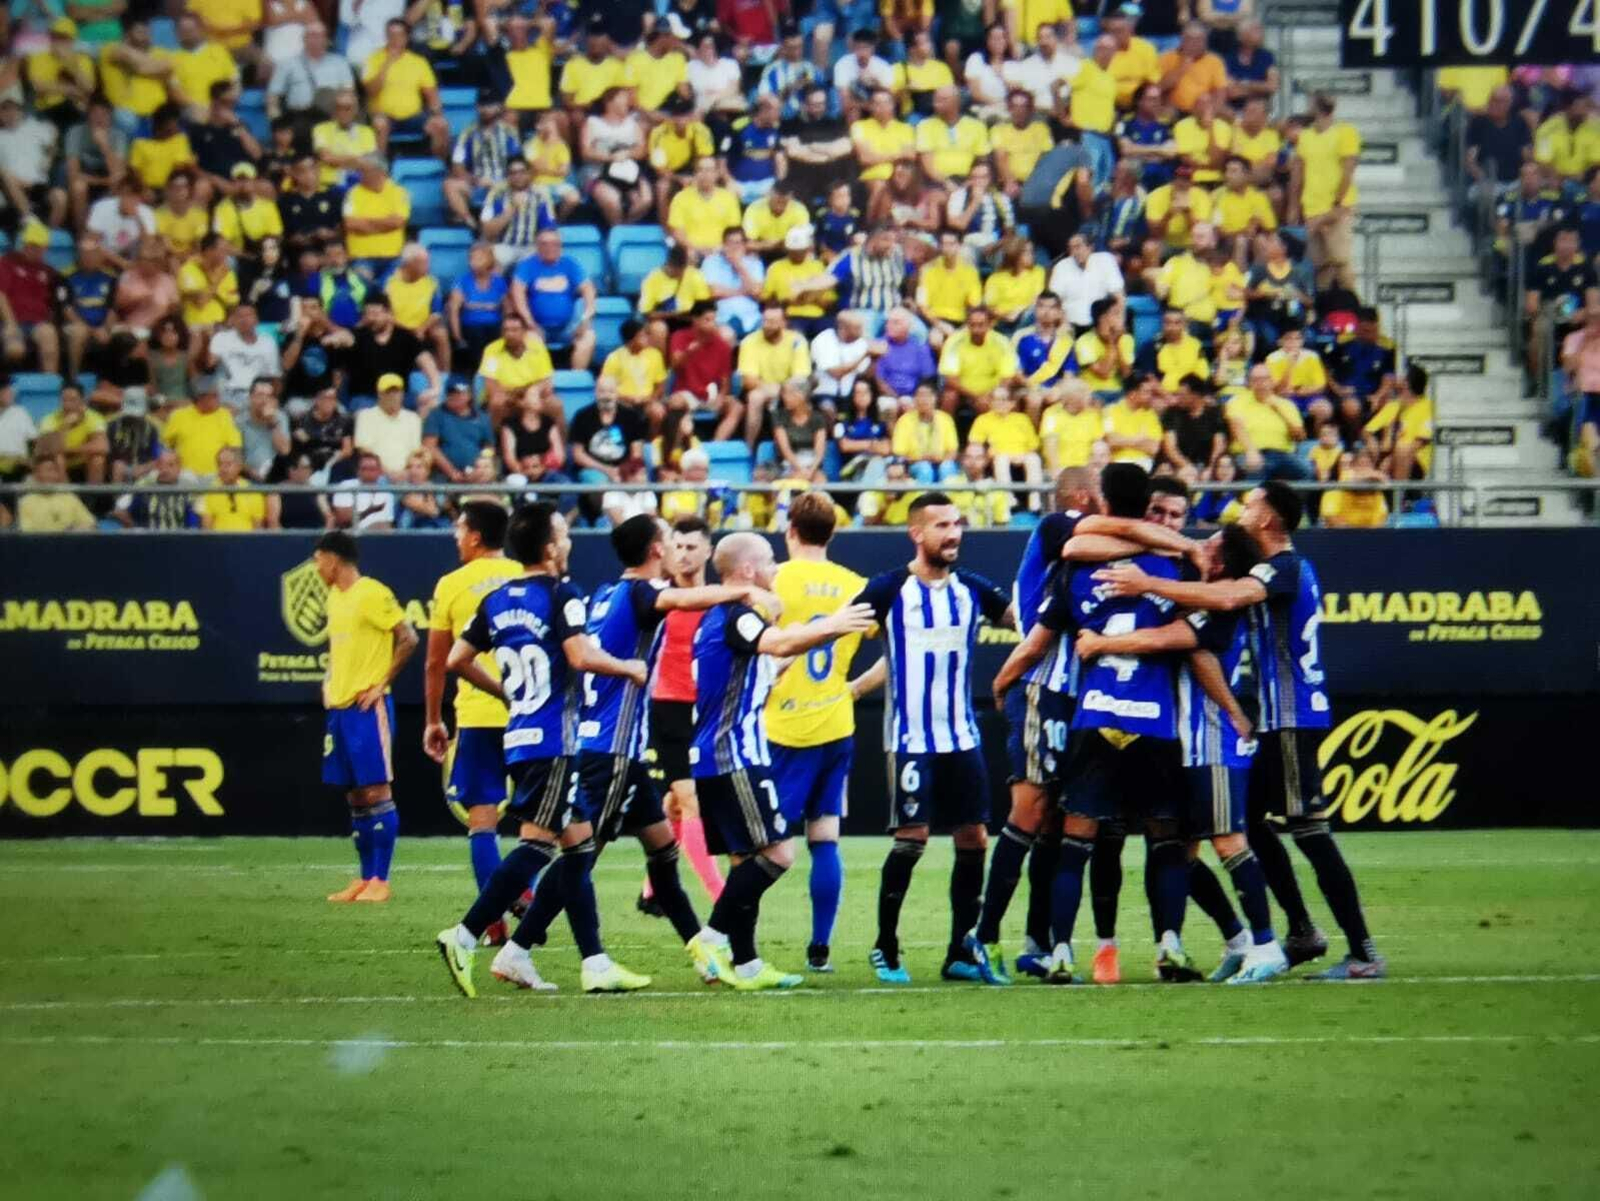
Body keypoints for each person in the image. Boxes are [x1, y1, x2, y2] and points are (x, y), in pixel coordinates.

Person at [1095, 482, 1387, 979]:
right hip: (1271, 720)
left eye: (1251, 505)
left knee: (1308, 831)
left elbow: (1229, 599)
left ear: (1269, 520)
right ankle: (1297, 931)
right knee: (1247, 826)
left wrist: (1149, 585)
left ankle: (1362, 952)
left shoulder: (1283, 568)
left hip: (1292, 716)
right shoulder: (1272, 569)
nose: (1242, 511)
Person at [503, 514, 777, 986]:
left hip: (621, 750)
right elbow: (684, 597)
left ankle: (704, 954)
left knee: (664, 853)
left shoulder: (603, 594)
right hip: (609, 750)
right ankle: (519, 947)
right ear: (656, 550)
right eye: (672, 542)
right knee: (579, 857)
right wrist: (743, 591)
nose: (678, 551)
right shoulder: (638, 592)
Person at [433, 503, 655, 997]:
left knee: (580, 847)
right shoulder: (563, 593)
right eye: (564, 533)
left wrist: (507, 695)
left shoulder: (496, 599)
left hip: (521, 736)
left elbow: (456, 659)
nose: (570, 540)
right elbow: (579, 655)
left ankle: (577, 961)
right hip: (556, 739)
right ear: (551, 546)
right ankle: (465, 935)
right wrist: (629, 668)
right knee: (537, 847)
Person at [682, 531, 875, 991]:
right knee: (779, 853)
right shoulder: (736, 617)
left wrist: (801, 640)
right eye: (769, 561)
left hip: (717, 757)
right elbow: (779, 646)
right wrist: (834, 623)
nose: (775, 570)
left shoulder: (722, 622)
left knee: (744, 859)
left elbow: (771, 665)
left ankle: (746, 964)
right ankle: (711, 937)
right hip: (734, 756)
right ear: (747, 570)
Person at [851, 494, 1013, 984]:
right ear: (917, 534)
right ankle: (886, 945)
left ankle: (959, 951)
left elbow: (1030, 628)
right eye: (943, 524)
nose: (955, 533)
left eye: (958, 524)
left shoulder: (974, 590)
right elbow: (840, 627)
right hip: (911, 737)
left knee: (974, 838)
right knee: (913, 839)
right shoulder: (887, 590)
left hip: (962, 737)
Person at [755, 492, 869, 973]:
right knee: (825, 838)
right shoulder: (855, 586)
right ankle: (819, 947)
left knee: (760, 847)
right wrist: (856, 687)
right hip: (835, 722)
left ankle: (741, 943)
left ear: (790, 531)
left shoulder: (773, 580)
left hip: (781, 725)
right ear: (833, 533)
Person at [421, 501, 522, 933]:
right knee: (544, 824)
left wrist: (432, 719)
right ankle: (526, 892)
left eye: (460, 528)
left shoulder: (452, 585)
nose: (455, 535)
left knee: (483, 820)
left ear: (476, 536)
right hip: (530, 714)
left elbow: (436, 661)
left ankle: (495, 922)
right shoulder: (525, 574)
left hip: (480, 714)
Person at [1292, 92, 1360, 292]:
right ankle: (1324, 312)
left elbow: (1349, 168)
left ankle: (1354, 308)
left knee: (1341, 262)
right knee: (1320, 265)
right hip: (1312, 207)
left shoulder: (1345, 132)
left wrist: (1337, 203)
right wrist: (1295, 206)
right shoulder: (1305, 136)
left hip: (1337, 207)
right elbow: (1299, 173)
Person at [511, 229, 597, 372]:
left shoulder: (570, 264)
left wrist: (585, 318)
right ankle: (542, 382)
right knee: (530, 340)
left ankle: (576, 379)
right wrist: (529, 322)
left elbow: (588, 290)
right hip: (537, 326)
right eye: (544, 244)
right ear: (537, 246)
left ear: (560, 246)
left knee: (589, 337)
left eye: (554, 244)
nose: (549, 248)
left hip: (568, 327)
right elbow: (517, 292)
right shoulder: (527, 265)